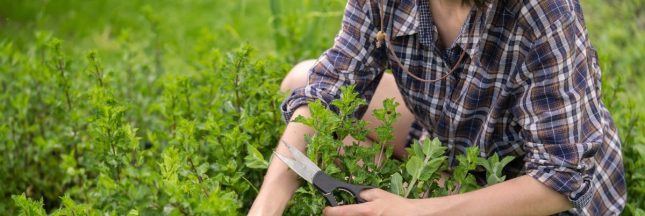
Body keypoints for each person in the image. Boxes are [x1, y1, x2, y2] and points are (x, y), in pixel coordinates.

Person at [248, 0, 626, 215]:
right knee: (301, 80)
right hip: (452, 140)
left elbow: (562, 178)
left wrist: (412, 212)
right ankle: (430, 188)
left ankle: (428, 197)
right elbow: (327, 89)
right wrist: (265, 208)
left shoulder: (544, 10)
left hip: (536, 193)